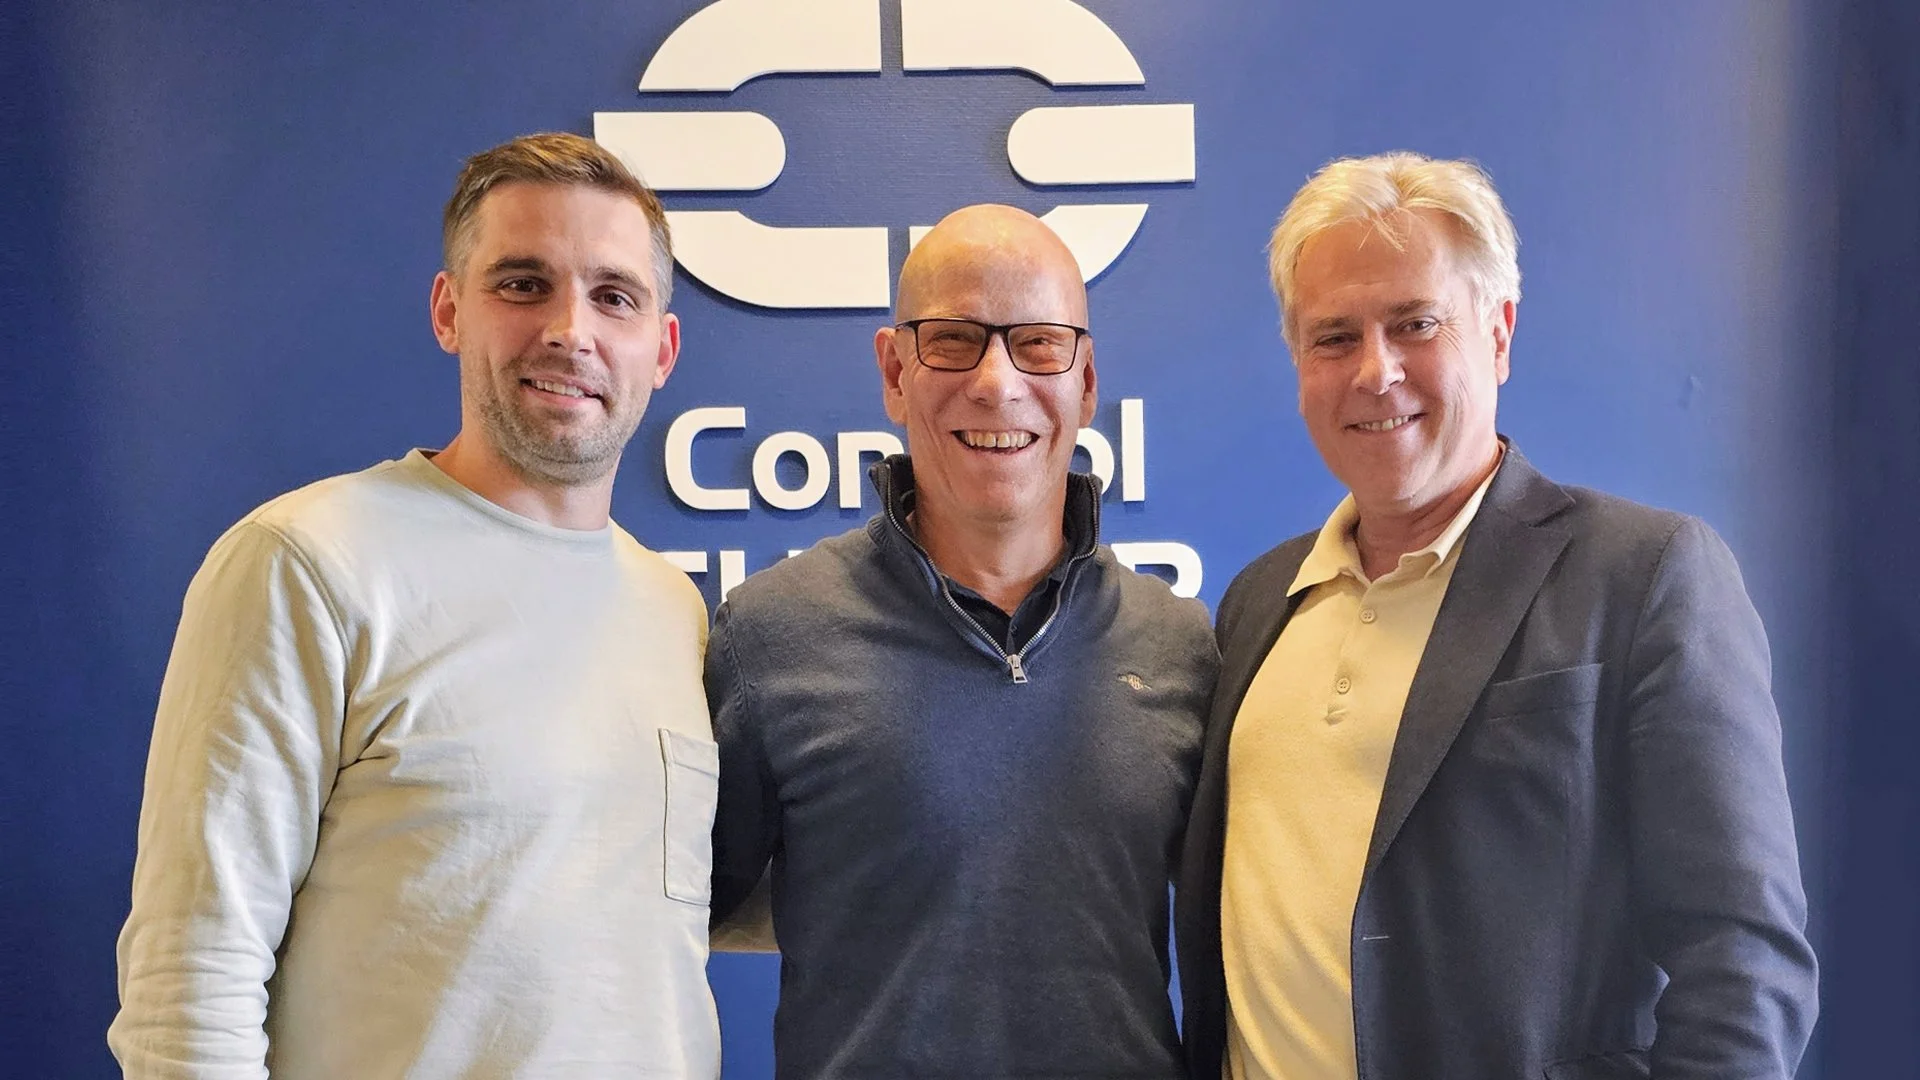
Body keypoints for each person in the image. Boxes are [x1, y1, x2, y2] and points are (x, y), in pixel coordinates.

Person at [1176, 151, 1819, 1080]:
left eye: (1415, 324)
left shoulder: (1644, 577)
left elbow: (1745, 967)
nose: (1376, 371)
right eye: (1334, 337)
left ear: (1499, 332)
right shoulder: (1259, 600)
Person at [109, 132, 719, 1079]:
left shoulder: (674, 609)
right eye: (523, 284)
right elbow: (190, 982)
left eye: (614, 296)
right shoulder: (307, 563)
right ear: (449, 311)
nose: (571, 330)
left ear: (663, 348)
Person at [707, 204, 1217, 1079]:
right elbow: (672, 913)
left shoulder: (1182, 646)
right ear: (894, 372)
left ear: (1086, 381)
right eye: (953, 340)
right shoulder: (768, 635)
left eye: (1040, 345)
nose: (996, 382)